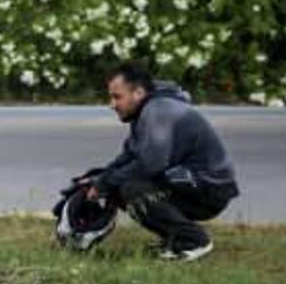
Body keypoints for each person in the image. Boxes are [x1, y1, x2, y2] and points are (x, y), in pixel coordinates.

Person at [80, 61, 240, 261]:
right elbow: (128, 156)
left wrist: (106, 183)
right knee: (119, 184)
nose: (112, 104)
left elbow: (151, 165)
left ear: (138, 93)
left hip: (211, 190)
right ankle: (175, 238)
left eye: (117, 97)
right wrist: (99, 182)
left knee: (132, 189)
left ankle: (193, 242)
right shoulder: (145, 110)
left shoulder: (158, 111)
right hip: (189, 182)